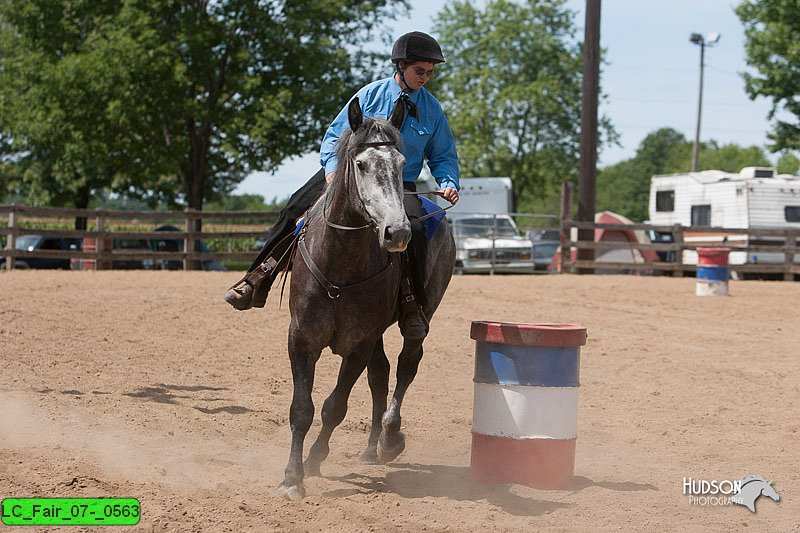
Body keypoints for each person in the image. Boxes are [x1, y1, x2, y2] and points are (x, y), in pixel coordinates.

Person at [224, 31, 460, 338]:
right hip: (348, 175)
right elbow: (334, 137)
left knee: (414, 229)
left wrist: (448, 181)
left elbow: (442, 154)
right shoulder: (369, 95)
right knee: (294, 207)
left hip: (397, 182)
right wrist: (333, 171)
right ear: (401, 66)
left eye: (430, 72)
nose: (425, 78)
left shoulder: (432, 110)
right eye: (420, 71)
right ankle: (258, 278)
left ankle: (411, 305)